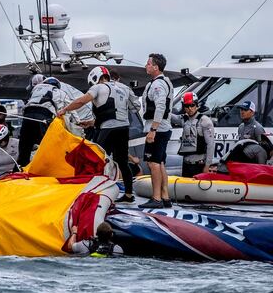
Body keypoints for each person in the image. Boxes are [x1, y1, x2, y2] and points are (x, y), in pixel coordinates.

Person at [57, 66, 136, 202]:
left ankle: (94, 193)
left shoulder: (98, 87)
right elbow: (118, 112)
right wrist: (90, 122)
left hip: (107, 130)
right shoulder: (122, 88)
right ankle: (129, 194)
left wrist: (65, 109)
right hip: (123, 128)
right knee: (122, 162)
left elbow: (82, 101)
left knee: (95, 160)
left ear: (95, 78)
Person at [138, 53, 175, 209]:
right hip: (163, 128)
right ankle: (165, 197)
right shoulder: (164, 82)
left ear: (156, 67)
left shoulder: (158, 84)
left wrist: (153, 129)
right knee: (159, 162)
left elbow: (160, 106)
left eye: (148, 63)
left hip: (158, 129)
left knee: (152, 163)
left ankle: (156, 198)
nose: (146, 66)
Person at [17, 76, 64, 167]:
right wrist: (77, 121)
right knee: (47, 145)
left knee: (24, 146)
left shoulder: (36, 89)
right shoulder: (58, 91)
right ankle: (47, 168)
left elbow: (28, 102)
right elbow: (64, 108)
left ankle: (20, 169)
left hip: (27, 116)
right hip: (43, 117)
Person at [171, 92, 215, 178]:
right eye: (187, 106)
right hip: (186, 164)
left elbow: (210, 145)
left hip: (199, 165)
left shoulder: (205, 121)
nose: (190, 108)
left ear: (197, 105)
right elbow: (171, 117)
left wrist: (207, 166)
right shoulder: (184, 119)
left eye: (192, 105)